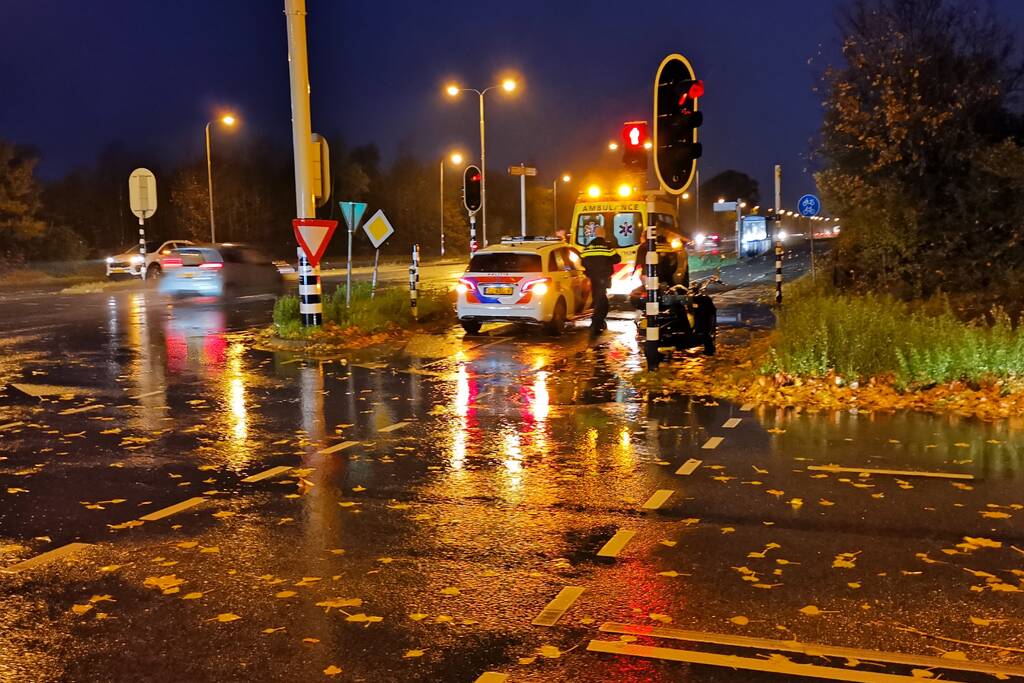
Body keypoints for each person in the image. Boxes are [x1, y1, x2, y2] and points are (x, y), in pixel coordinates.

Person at [581, 226, 620, 334]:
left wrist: (590, 270)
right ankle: (596, 322)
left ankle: (598, 321)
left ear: (595, 234)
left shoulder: (588, 246)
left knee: (598, 298)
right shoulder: (607, 246)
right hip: (604, 277)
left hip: (593, 278)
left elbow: (582, 261)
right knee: (601, 299)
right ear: (604, 234)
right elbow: (617, 259)